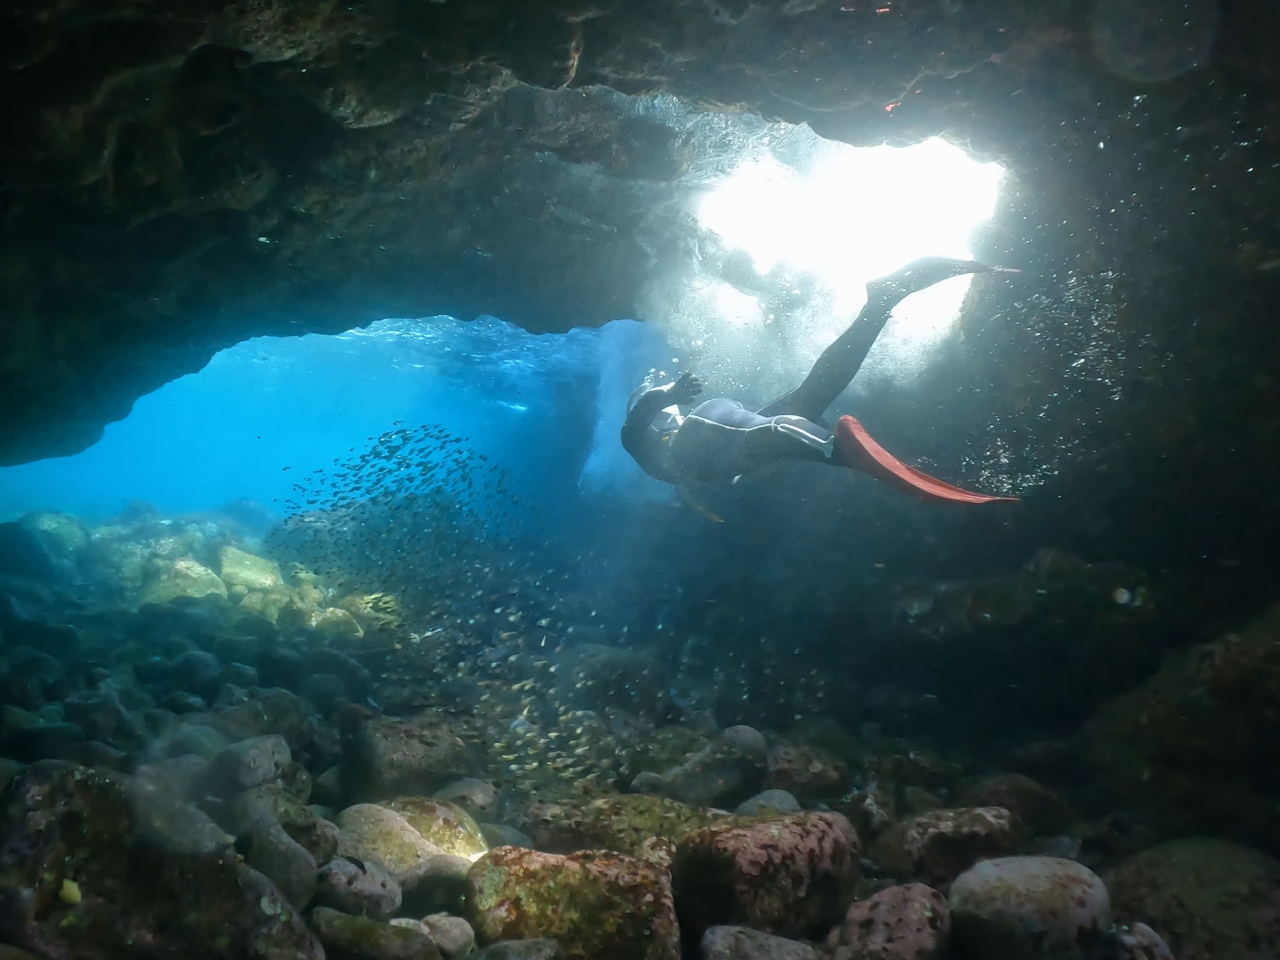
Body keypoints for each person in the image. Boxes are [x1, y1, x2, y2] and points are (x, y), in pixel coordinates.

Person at [621, 257, 1019, 504]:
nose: (670, 409)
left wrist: (670, 393)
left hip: (711, 431)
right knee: (811, 398)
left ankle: (831, 448)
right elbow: (645, 415)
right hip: (729, 444)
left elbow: (643, 409)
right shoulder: (654, 451)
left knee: (767, 430)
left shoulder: (659, 440)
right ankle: (882, 302)